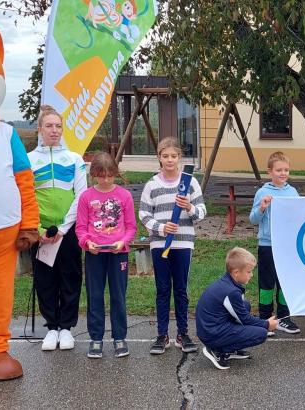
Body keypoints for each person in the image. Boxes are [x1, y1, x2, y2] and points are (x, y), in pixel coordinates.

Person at [139, 137, 207, 355]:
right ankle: (161, 335)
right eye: (165, 156)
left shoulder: (190, 183)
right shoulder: (152, 184)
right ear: (159, 157)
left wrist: (188, 207)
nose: (169, 160)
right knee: (162, 290)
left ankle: (183, 333)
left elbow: (202, 212)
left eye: (174, 156)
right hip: (160, 245)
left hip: (183, 243)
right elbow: (144, 214)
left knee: (181, 289)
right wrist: (161, 228)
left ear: (180, 158)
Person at [28, 105, 87, 352]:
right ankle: (52, 327)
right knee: (45, 280)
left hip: (68, 230)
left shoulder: (74, 159)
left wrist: (63, 228)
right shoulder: (28, 160)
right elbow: (25, 196)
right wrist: (38, 228)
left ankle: (66, 328)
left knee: (70, 277)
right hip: (39, 231)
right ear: (40, 129)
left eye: (58, 126)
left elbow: (81, 195)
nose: (54, 130)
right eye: (49, 126)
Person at [75, 152, 137, 359]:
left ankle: (120, 337)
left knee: (118, 296)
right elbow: (81, 228)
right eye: (101, 176)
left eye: (110, 175)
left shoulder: (125, 196)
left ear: (115, 174)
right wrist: (86, 242)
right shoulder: (86, 197)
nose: (106, 180)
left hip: (118, 253)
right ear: (94, 174)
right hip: (94, 254)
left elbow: (131, 227)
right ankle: (96, 338)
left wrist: (123, 242)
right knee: (95, 296)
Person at [196, 247, 278, 370]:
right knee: (261, 334)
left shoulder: (227, 282)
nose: (251, 275)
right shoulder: (231, 291)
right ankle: (218, 350)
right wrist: (266, 324)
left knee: (245, 305)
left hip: (210, 329)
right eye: (249, 271)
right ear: (236, 273)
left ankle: (229, 347)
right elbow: (245, 319)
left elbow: (242, 315)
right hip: (211, 334)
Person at [250, 151, 301, 335]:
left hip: (287, 245)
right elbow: (253, 219)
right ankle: (265, 319)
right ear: (270, 171)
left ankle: (284, 318)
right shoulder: (262, 192)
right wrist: (262, 207)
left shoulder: (292, 192)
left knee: (285, 282)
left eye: (286, 170)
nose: (283, 173)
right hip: (267, 245)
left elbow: (299, 216)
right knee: (266, 282)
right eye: (279, 170)